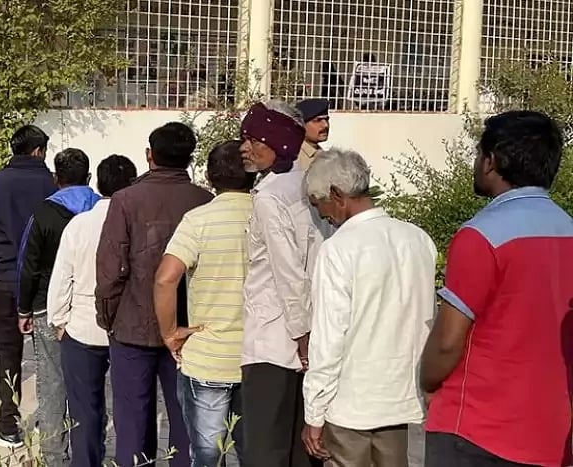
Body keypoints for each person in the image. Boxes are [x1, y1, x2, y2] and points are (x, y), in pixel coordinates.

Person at [421, 111, 573, 467]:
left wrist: (426, 379)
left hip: (476, 430)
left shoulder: (480, 236)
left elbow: (447, 342)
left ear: (491, 161)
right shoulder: (568, 230)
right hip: (550, 432)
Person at [300, 149, 436, 466]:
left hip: (350, 403)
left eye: (319, 204)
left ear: (337, 195)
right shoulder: (418, 240)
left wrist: (314, 413)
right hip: (400, 398)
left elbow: (329, 338)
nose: (322, 214)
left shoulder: (338, 249)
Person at [96, 122, 212, 467]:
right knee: (187, 422)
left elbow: (110, 269)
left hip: (133, 326)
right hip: (189, 329)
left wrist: (108, 317)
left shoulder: (126, 200)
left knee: (132, 423)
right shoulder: (205, 200)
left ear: (150, 156)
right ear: (190, 158)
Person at [238, 100, 330, 467]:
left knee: (265, 450)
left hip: (275, 341)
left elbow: (287, 270)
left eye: (253, 139)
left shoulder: (270, 197)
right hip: (305, 338)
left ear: (277, 142)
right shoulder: (308, 186)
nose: (245, 147)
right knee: (299, 449)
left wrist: (301, 334)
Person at [155, 140, 255, 467]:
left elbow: (166, 278)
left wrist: (170, 333)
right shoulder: (269, 214)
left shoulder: (198, 220)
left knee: (207, 454)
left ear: (210, 176)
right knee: (254, 453)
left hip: (208, 357)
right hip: (260, 358)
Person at [0, 125, 57, 448]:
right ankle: (53, 425)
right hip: (46, 283)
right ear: (38, 151)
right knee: (49, 357)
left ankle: (9, 423)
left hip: (5, 279)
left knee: (9, 354)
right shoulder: (53, 183)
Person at [49, 155, 138, 467]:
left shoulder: (80, 224)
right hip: (127, 329)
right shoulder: (136, 223)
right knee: (131, 406)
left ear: (97, 183)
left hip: (82, 328)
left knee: (85, 407)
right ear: (133, 183)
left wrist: (58, 320)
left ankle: (87, 461)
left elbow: (62, 277)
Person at [17, 148, 100, 467]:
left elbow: (28, 265)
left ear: (56, 178)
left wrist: (23, 309)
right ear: (89, 177)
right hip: (92, 309)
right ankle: (90, 450)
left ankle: (53, 455)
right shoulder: (101, 211)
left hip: (48, 309)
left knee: (51, 383)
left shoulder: (43, 213)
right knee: (91, 386)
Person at [295, 99, 330, 170]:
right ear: (301, 125)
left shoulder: (322, 154)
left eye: (326, 119)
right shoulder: (295, 158)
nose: (325, 125)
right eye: (318, 120)